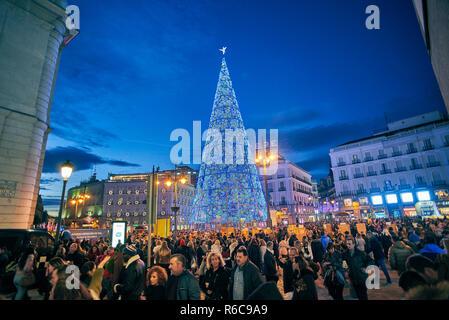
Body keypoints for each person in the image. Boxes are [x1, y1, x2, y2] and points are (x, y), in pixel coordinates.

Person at [343, 236, 374, 300]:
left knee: (363, 295)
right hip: (353, 278)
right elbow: (344, 263)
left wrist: (366, 268)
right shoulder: (345, 254)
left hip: (361, 278)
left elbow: (370, 260)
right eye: (347, 244)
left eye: (349, 244)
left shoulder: (360, 253)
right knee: (357, 295)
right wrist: (345, 270)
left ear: (354, 244)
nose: (348, 246)